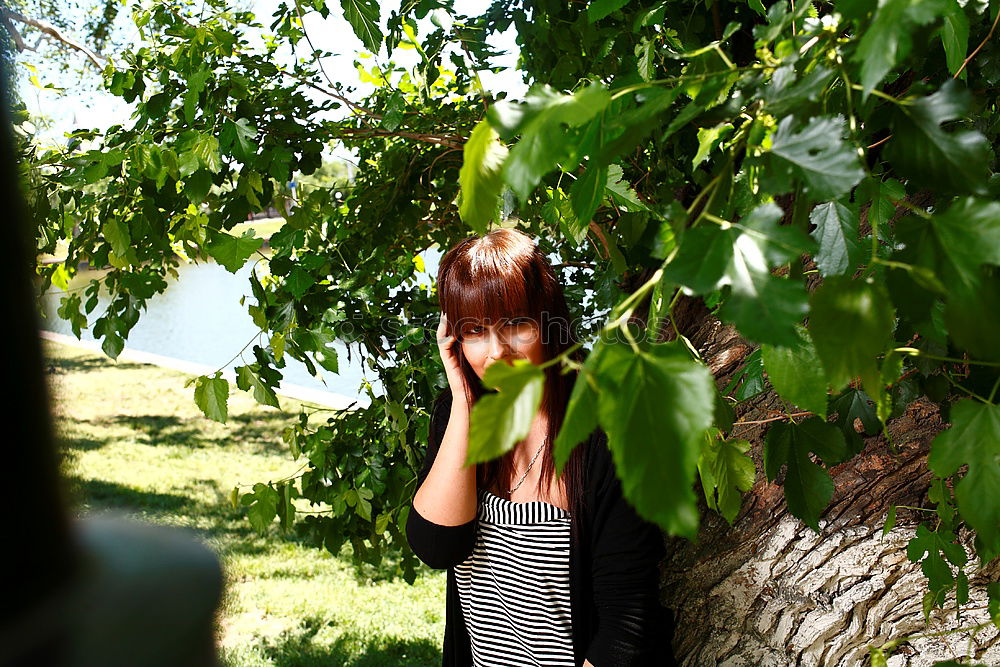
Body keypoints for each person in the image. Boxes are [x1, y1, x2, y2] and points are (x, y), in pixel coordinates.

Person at [406, 227, 676, 667]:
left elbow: (628, 626)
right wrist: (462, 398)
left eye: (515, 324)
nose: (496, 352)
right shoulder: (457, 417)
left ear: (547, 321)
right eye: (474, 330)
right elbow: (437, 547)